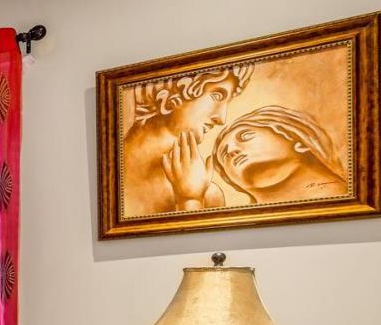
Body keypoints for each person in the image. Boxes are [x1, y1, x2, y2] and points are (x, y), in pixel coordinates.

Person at [120, 65, 251, 217]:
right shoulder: (111, 173)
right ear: (168, 98)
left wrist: (190, 199)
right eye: (217, 96)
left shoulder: (207, 196)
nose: (221, 118)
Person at [210, 106, 347, 204]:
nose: (231, 151)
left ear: (298, 141)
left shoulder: (348, 199)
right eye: (224, 156)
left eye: (246, 136)